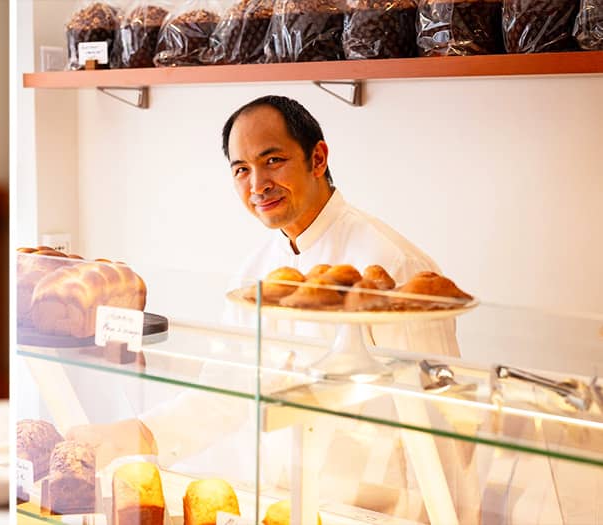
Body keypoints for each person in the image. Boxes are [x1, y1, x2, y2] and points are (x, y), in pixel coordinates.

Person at [67, 95, 479, 521]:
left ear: (317, 158)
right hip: (283, 504)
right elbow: (226, 392)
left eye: (273, 160)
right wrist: (137, 435)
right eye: (241, 169)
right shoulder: (257, 273)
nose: (257, 183)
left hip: (377, 514)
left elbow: (441, 428)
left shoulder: (394, 269)